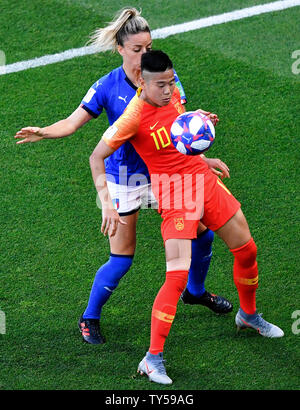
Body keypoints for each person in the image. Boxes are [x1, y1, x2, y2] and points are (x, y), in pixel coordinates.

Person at [14, 8, 232, 346]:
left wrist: (202, 158)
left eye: (149, 47)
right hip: (125, 180)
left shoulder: (166, 81)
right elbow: (72, 125)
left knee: (203, 235)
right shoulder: (107, 87)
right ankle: (89, 317)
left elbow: (181, 132)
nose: (145, 55)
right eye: (137, 49)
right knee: (122, 258)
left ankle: (195, 291)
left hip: (166, 175)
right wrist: (44, 132)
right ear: (120, 49)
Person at [90, 49, 284, 385]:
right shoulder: (132, 117)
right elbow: (96, 156)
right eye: (161, 85)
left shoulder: (174, 90)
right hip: (175, 195)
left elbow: (178, 129)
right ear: (142, 82)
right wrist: (106, 201)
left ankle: (248, 315)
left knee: (247, 249)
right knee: (176, 277)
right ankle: (152, 358)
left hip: (203, 182)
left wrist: (198, 128)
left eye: (170, 82)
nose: (168, 90)